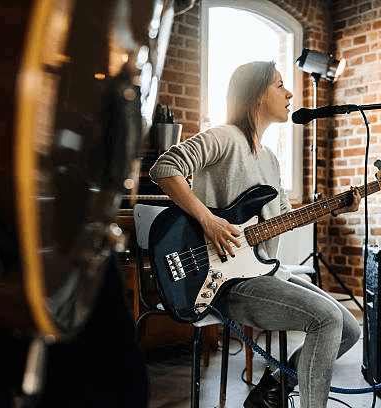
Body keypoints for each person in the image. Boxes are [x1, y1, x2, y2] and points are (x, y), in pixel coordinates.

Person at [149, 61, 361, 408]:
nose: (290, 93)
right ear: (256, 94)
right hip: (225, 280)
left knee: (349, 328)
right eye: (280, 85)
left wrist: (332, 208)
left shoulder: (271, 159)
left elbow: (284, 219)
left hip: (264, 268)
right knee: (326, 318)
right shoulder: (224, 137)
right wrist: (208, 221)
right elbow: (165, 168)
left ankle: (274, 387)